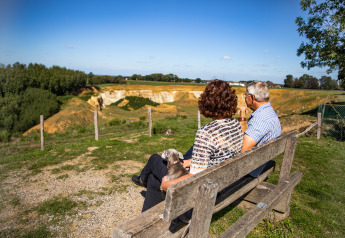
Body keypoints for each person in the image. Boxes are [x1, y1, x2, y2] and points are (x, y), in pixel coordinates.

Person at [132, 80, 243, 212]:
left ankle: (142, 182)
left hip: (202, 193)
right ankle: (147, 199)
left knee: (155, 160)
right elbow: (220, 155)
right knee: (154, 178)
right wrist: (190, 162)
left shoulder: (206, 132)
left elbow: (193, 179)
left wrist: (167, 184)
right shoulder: (236, 125)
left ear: (207, 103)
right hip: (223, 183)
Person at [238, 81, 281, 177]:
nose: (245, 98)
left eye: (246, 95)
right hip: (261, 162)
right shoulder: (269, 112)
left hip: (250, 170)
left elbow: (242, 150)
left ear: (252, 97)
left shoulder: (261, 119)